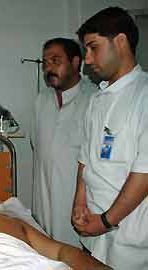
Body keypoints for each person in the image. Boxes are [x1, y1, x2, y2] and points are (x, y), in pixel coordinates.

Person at [71, 7, 148, 270]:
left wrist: (106, 221)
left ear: (121, 41)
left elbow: (145, 172)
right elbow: (85, 160)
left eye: (93, 48)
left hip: (129, 236)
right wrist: (79, 204)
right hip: (94, 232)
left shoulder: (144, 95)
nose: (88, 60)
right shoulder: (96, 99)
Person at [31, 38, 97, 247]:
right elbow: (37, 144)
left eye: (56, 61)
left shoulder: (94, 99)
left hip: (78, 206)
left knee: (75, 256)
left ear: (76, 62)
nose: (49, 68)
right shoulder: (41, 100)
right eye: (45, 63)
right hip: (43, 202)